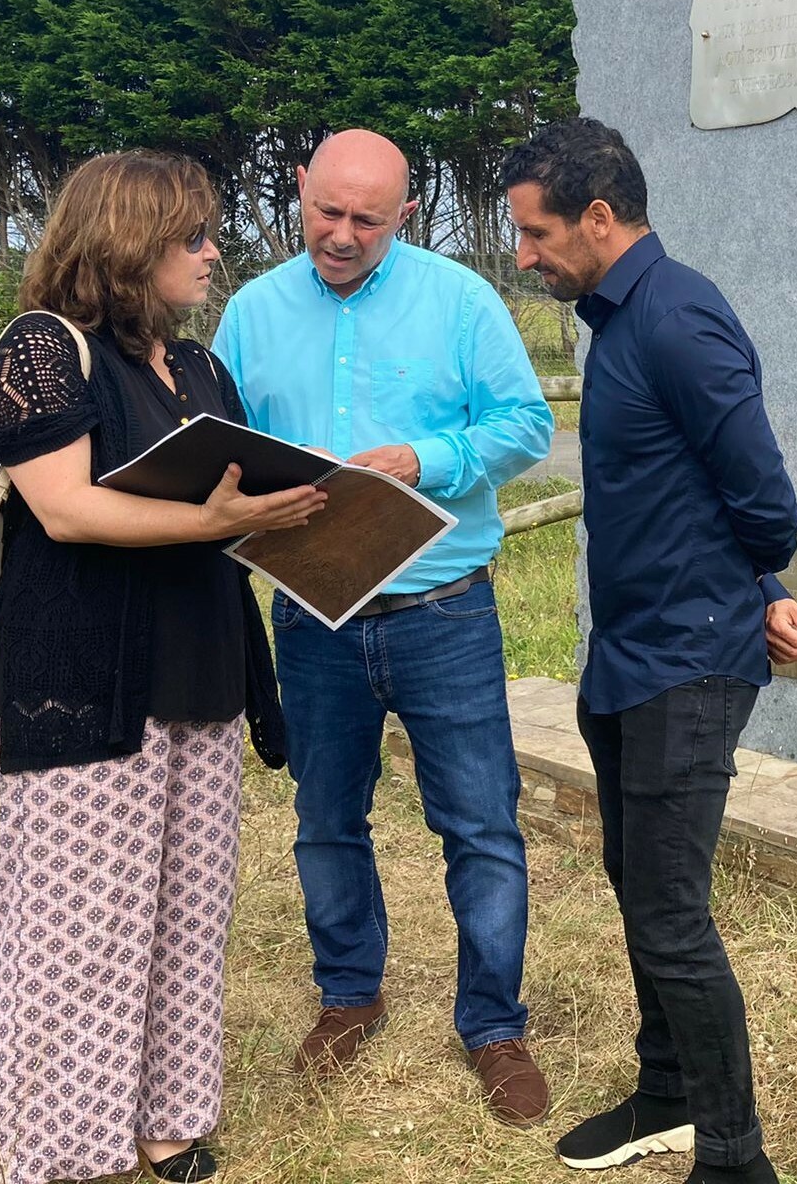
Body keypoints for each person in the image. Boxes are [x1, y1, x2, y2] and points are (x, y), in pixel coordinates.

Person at [0, 150, 326, 1184]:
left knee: (183, 917)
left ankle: (167, 1120)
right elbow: (65, 508)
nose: (213, 253)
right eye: (191, 237)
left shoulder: (200, 368)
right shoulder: (44, 347)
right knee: (76, 936)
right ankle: (53, 1152)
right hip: (86, 683)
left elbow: (229, 504)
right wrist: (209, 519)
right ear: (127, 243)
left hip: (200, 673)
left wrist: (307, 519)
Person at [499, 117, 797, 1184]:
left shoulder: (678, 318)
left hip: (687, 662)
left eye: (537, 233)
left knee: (672, 914)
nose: (525, 255)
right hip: (628, 657)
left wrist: (747, 586)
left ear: (598, 217)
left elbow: (764, 503)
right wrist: (759, 589)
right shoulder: (619, 321)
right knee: (639, 886)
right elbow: (693, 490)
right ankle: (669, 1091)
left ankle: (734, 1158)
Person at [212, 128, 556, 1125]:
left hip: (442, 610)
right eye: (326, 210)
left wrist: (421, 458)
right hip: (310, 612)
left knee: (479, 823)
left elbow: (525, 425)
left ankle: (493, 1025)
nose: (341, 234)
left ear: (406, 215)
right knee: (325, 817)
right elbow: (218, 440)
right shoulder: (250, 311)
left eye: (367, 219)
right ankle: (348, 995)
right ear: (297, 189)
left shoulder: (460, 300)